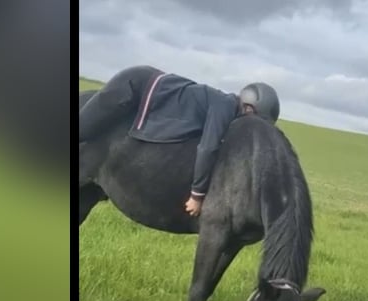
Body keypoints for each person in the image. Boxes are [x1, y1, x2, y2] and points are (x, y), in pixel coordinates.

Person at [79, 65, 280, 217]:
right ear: (248, 108)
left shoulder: (230, 115)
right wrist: (197, 195)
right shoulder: (225, 107)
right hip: (134, 84)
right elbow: (207, 148)